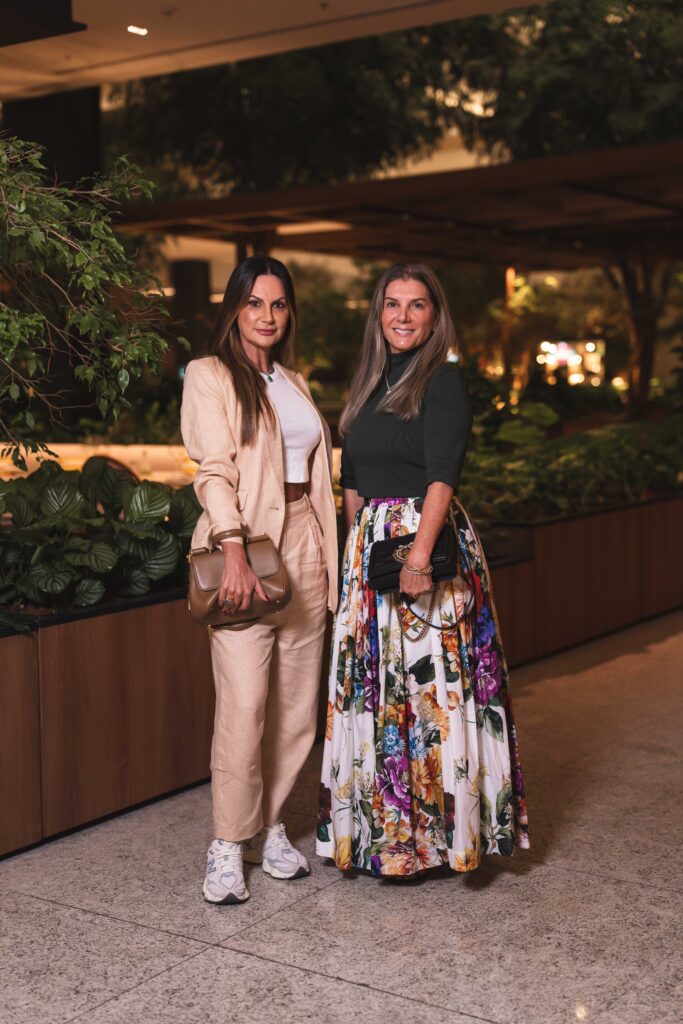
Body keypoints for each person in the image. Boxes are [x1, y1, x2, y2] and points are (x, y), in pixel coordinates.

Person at [316, 263, 529, 878]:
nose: (403, 316)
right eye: (392, 304)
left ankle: (439, 841)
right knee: (378, 696)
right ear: (378, 314)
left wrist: (415, 557)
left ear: (435, 317)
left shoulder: (443, 380)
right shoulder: (367, 382)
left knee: (431, 699)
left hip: (424, 548)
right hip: (372, 554)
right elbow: (352, 480)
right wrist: (357, 559)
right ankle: (381, 836)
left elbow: (442, 476)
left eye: (417, 304)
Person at [181, 256, 337, 904]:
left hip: (306, 542)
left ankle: (269, 828)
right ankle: (228, 841)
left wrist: (330, 557)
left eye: (277, 304)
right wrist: (233, 546)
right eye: (254, 303)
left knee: (296, 710)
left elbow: (316, 473)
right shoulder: (210, 374)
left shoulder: (293, 381)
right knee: (244, 705)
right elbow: (213, 469)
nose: (267, 316)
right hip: (247, 545)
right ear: (234, 309)